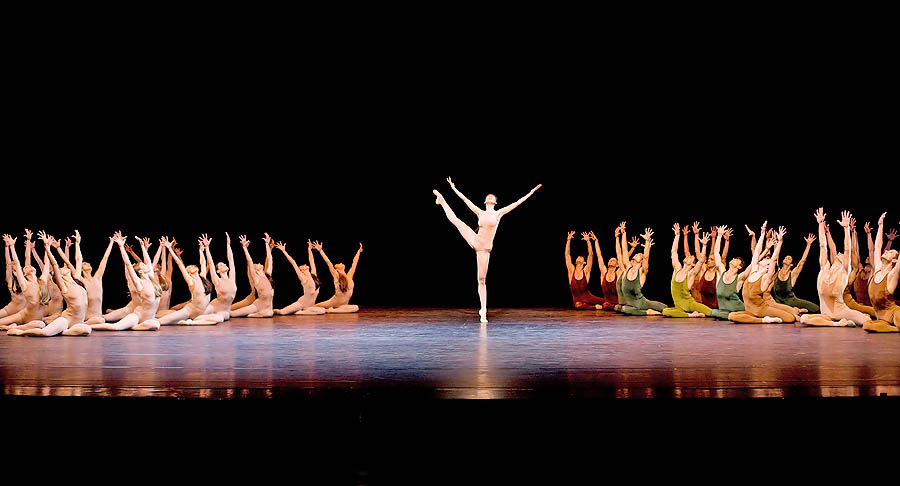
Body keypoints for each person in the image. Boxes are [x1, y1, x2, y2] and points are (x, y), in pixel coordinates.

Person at [433, 177, 541, 322]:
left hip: (484, 250)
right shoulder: (479, 212)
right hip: (475, 240)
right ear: (485, 201)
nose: (490, 196)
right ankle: (442, 200)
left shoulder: (499, 213)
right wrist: (453, 187)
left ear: (495, 202)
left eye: (492, 197)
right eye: (487, 196)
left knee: (482, 279)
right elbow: (465, 200)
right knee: (457, 221)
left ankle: (483, 310)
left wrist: (532, 191)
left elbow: (517, 202)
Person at [7, 232, 91, 336]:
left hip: (78, 323)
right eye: (61, 269)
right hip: (66, 320)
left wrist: (76, 243)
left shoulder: (77, 280)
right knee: (44, 333)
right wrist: (47, 247)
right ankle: (18, 332)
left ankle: (64, 332)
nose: (64, 267)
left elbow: (77, 260)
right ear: (59, 275)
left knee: (86, 330)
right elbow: (54, 264)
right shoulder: (64, 287)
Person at [798, 209, 870, 327]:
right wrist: (820, 224)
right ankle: (836, 324)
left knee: (867, 322)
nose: (840, 253)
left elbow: (847, 249)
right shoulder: (824, 268)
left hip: (841, 311)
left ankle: (846, 319)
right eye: (839, 254)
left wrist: (846, 229)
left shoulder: (844, 271)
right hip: (826, 314)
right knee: (804, 319)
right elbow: (822, 245)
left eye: (842, 255)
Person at [90, 233, 161, 331]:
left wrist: (142, 246)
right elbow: (128, 264)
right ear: (140, 271)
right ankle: (89, 326)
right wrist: (121, 246)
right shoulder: (139, 283)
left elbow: (148, 260)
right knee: (115, 327)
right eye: (143, 265)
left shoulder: (152, 278)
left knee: (156, 325)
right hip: (137, 316)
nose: (146, 265)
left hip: (148, 319)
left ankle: (134, 327)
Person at [727, 222, 795, 324]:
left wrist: (780, 242)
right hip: (750, 311)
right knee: (731, 316)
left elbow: (774, 260)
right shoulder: (753, 270)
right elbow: (757, 252)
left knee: (790, 318)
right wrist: (762, 233)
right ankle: (763, 320)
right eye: (764, 259)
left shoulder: (765, 279)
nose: (763, 260)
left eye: (767, 260)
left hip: (762, 309)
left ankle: (765, 318)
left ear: (767, 266)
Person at [177, 234, 239, 325]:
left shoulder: (232, 278)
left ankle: (192, 323)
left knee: (219, 318)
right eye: (221, 265)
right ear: (218, 271)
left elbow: (231, 260)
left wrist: (228, 244)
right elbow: (210, 262)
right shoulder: (217, 280)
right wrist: (207, 248)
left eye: (224, 264)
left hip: (225, 310)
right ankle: (185, 318)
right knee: (194, 315)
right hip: (213, 306)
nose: (224, 265)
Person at [156, 237, 213, 325]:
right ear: (188, 273)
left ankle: (189, 321)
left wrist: (201, 251)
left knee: (220, 318)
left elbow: (203, 263)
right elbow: (179, 263)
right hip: (190, 310)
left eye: (192, 265)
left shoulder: (203, 277)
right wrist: (169, 248)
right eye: (189, 267)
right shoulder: (191, 281)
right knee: (161, 322)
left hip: (201, 312)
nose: (191, 266)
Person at [661, 224, 712, 318]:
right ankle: (690, 315)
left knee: (710, 312)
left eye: (691, 257)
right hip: (679, 307)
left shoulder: (691, 274)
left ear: (693, 264)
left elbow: (701, 261)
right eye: (688, 256)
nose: (688, 257)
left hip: (690, 304)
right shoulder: (677, 269)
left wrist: (704, 246)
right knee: (665, 311)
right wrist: (677, 236)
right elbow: (674, 252)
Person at [0, 233, 49, 330]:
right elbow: (14, 263)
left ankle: (10, 327)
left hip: (29, 314)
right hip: (16, 312)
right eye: (26, 267)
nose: (28, 266)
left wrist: (47, 245)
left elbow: (46, 263)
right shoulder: (21, 283)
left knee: (39, 325)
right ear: (24, 274)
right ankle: (9, 327)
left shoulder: (42, 281)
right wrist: (11, 246)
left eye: (27, 266)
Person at [615, 223, 666, 316]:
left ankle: (647, 310)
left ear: (641, 261)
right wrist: (624, 233)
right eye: (637, 254)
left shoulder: (642, 272)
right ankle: (647, 312)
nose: (636, 254)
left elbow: (646, 257)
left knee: (663, 308)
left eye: (639, 255)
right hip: (630, 306)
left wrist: (647, 242)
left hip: (641, 303)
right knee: (622, 309)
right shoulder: (627, 269)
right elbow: (624, 250)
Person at [863, 212, 900, 333]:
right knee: (867, 325)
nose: (887, 251)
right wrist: (880, 225)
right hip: (881, 318)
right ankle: (895, 329)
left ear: (894, 260)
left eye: (891, 252)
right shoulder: (878, 268)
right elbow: (877, 246)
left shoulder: (892, 275)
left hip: (893, 314)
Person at [709, 226, 753, 321]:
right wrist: (719, 235)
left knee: (715, 313)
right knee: (714, 313)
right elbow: (716, 253)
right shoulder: (722, 272)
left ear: (739, 266)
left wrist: (755, 238)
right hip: (723, 312)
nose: (733, 259)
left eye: (736, 259)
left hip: (739, 310)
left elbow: (754, 262)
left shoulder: (740, 277)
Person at [273, 240, 326, 315]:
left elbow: (312, 261)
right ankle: (272, 310)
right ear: (302, 270)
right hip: (301, 303)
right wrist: (284, 251)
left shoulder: (314, 275)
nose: (305, 264)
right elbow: (293, 262)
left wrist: (309, 249)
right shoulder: (303, 279)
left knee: (322, 310)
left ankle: (300, 312)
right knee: (282, 312)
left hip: (309, 307)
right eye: (302, 266)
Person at [229, 234, 275, 318]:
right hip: (256, 303)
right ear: (254, 269)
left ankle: (254, 315)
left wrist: (267, 244)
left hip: (265, 307)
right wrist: (244, 247)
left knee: (269, 313)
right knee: (232, 313)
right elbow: (249, 261)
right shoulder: (255, 278)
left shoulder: (268, 275)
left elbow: (270, 259)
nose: (259, 263)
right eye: (256, 264)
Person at [772, 233, 820, 313]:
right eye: (785, 257)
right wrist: (776, 243)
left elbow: (802, 261)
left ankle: (796, 310)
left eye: (789, 258)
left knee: (816, 308)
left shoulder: (793, 274)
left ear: (791, 264)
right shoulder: (777, 271)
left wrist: (808, 245)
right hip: (778, 303)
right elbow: (775, 257)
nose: (786, 258)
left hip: (792, 301)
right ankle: (797, 311)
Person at [565, 231, 612, 310]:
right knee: (578, 305)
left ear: (584, 262)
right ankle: (594, 307)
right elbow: (567, 255)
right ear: (575, 261)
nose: (579, 257)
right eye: (578, 257)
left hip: (588, 297)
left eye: (581, 257)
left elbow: (590, 255)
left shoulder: (586, 270)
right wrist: (568, 240)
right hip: (577, 300)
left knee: (606, 301)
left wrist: (588, 241)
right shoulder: (571, 269)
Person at [312, 241, 363, 313]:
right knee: (315, 306)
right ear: (337, 269)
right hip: (334, 301)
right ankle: (334, 310)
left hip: (343, 305)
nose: (341, 263)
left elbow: (355, 262)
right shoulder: (336, 275)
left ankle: (332, 310)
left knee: (355, 307)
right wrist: (320, 250)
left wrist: (359, 251)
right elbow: (328, 262)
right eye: (339, 263)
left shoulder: (349, 275)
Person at [0, 236, 27, 319]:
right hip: (11, 308)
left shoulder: (24, 278)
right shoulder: (10, 279)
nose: (13, 262)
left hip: (23, 310)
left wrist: (28, 242)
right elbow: (7, 263)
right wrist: (6, 247)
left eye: (15, 262)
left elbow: (27, 258)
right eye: (13, 263)